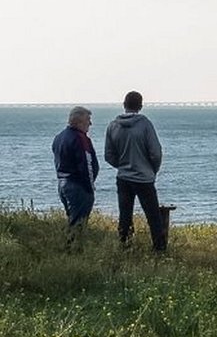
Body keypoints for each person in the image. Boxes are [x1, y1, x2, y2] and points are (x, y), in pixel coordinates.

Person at [104, 91, 166, 251]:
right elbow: (155, 152)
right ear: (140, 105)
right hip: (144, 178)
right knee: (153, 216)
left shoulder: (113, 125)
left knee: (125, 215)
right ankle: (159, 249)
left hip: (123, 177)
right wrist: (153, 169)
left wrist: (123, 165)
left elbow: (109, 155)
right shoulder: (145, 124)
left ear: (124, 105)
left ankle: (124, 246)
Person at [52, 106, 99, 250]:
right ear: (79, 122)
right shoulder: (80, 138)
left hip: (62, 182)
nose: (90, 124)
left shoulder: (59, 137)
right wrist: (90, 187)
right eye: (88, 120)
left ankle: (70, 250)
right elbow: (87, 164)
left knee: (72, 219)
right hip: (77, 185)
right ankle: (73, 251)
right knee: (79, 223)